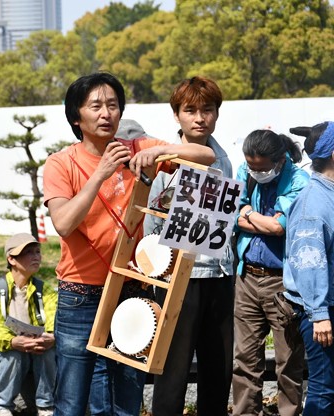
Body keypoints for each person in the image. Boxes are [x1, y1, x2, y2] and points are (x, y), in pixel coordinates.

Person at [42, 72, 215, 416]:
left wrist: (163, 150)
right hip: (80, 294)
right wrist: (101, 173)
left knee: (127, 397)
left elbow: (204, 156)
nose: (107, 113)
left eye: (113, 105)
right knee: (72, 402)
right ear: (76, 117)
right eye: (96, 106)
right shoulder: (60, 163)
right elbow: (63, 223)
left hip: (131, 288)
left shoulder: (137, 149)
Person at [144, 76, 234, 416]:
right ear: (177, 115)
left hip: (220, 274)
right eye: (190, 110)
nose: (200, 118)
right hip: (180, 277)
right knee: (174, 371)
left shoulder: (222, 155)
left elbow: (207, 157)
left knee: (218, 369)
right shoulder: (165, 161)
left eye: (207, 110)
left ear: (217, 113)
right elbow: (152, 221)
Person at [233, 129, 308, 416]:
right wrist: (256, 219)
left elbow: (280, 227)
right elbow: (230, 212)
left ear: (279, 160)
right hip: (247, 277)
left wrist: (248, 214)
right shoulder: (245, 169)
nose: (256, 172)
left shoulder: (300, 181)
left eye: (262, 168)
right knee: (244, 360)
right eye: (252, 167)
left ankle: (288, 412)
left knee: (288, 361)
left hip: (283, 284)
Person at [284, 121, 334, 415]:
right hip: (320, 313)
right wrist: (319, 315)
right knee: (324, 388)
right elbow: (308, 261)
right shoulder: (314, 203)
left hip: (324, 308)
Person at [0, 233, 57, 416]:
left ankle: (46, 406)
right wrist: (13, 341)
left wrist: (49, 337)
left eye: (38, 251)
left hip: (36, 349)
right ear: (11, 259)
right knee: (13, 352)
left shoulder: (45, 289)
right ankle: (3, 406)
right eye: (28, 252)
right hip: (10, 352)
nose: (36, 256)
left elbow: (53, 319)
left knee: (46, 348)